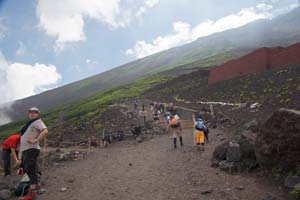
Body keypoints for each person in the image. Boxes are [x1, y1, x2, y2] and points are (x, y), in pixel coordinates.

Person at [19, 107, 48, 200]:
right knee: (33, 168)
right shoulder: (31, 123)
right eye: (30, 112)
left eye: (34, 112)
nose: (32, 113)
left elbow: (45, 131)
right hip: (28, 149)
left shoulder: (37, 122)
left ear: (38, 114)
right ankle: (37, 187)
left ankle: (32, 193)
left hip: (31, 149)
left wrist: (36, 140)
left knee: (30, 169)